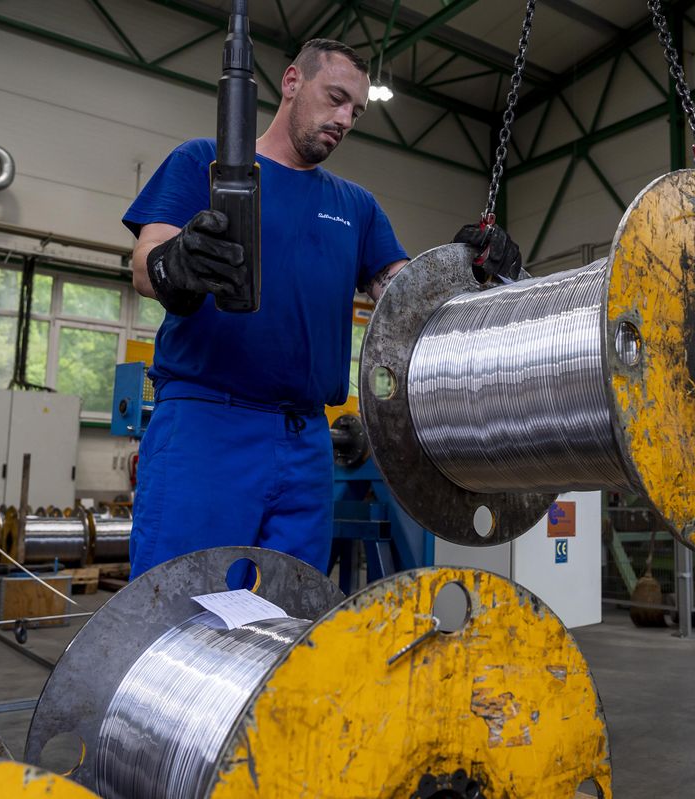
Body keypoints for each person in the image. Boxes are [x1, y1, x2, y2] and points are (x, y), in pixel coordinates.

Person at [123, 38, 524, 579]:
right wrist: (178, 264)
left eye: (355, 111)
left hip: (307, 440)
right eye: (335, 98)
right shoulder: (204, 162)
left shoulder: (355, 206)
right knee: (181, 610)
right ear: (292, 82)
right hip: (206, 425)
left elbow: (405, 297)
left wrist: (470, 269)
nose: (344, 119)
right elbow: (145, 265)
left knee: (290, 618)